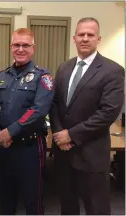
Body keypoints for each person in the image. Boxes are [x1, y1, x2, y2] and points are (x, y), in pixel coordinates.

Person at [49, 17, 125, 215]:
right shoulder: (64, 68)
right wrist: (59, 134)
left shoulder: (113, 70)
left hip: (92, 155)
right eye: (81, 34)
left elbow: (107, 113)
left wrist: (71, 135)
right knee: (68, 207)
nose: (85, 38)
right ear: (74, 38)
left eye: (90, 35)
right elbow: (55, 104)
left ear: (98, 38)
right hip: (64, 154)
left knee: (96, 209)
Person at [0, 28, 54, 215]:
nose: (21, 49)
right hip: (5, 148)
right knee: (5, 198)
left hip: (31, 148)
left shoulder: (43, 77)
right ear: (11, 47)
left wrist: (10, 131)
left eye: (25, 45)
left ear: (33, 48)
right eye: (17, 45)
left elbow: (38, 110)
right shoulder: (2, 76)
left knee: (32, 200)